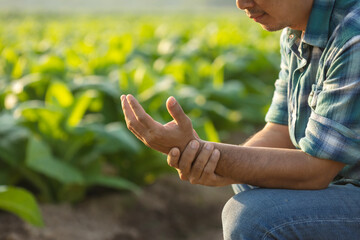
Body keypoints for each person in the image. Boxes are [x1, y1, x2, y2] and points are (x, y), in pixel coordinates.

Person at [121, 0, 360, 238]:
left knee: (253, 217)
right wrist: (209, 160)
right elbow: (280, 129)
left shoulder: (352, 33)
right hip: (342, 183)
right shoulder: (295, 31)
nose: (241, 3)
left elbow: (317, 169)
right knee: (248, 179)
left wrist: (211, 155)